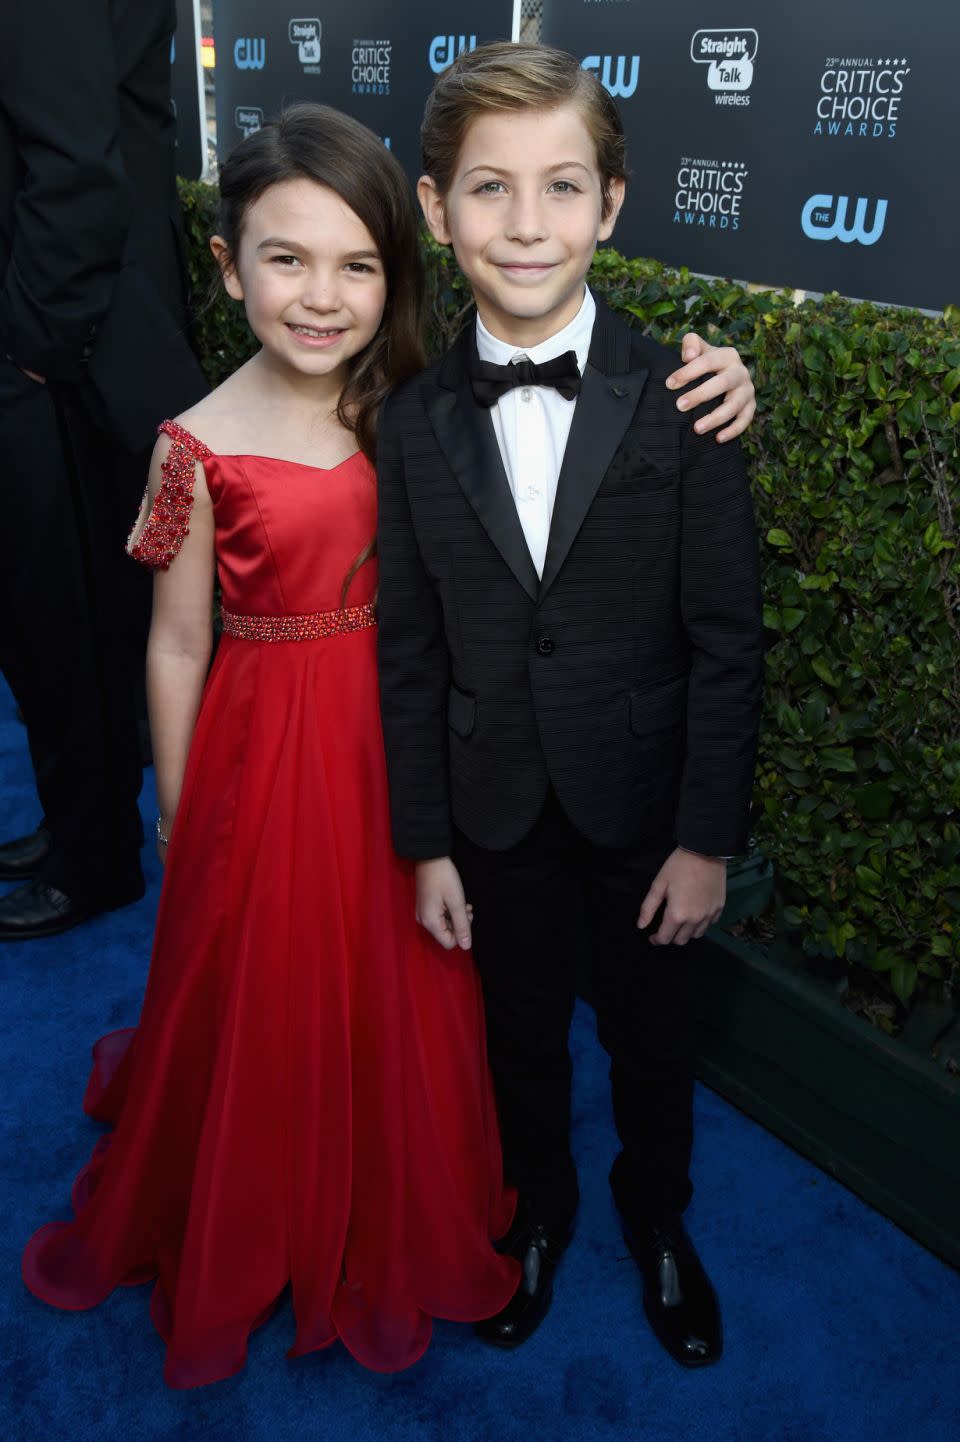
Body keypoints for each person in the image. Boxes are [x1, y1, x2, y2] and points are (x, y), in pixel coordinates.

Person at [22, 104, 522, 1388]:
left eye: (358, 264)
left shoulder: (410, 400)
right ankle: (256, 1198)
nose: (322, 296)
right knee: (258, 968)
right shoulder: (192, 445)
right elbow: (178, 645)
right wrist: (178, 814)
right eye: (287, 259)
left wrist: (722, 372)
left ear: (393, 279)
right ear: (227, 262)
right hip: (259, 750)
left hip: (388, 734)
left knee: (394, 960)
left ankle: (382, 1184)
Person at [376, 43, 764, 1369]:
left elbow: (726, 641)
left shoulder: (690, 398)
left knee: (657, 1041)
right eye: (489, 188)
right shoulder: (412, 422)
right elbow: (410, 648)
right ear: (437, 210)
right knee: (518, 1035)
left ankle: (658, 1219)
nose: (524, 225)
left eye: (559, 187)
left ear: (612, 204)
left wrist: (707, 840)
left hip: (650, 808)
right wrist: (424, 837)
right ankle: (536, 1214)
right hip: (490, 805)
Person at [0, 0, 208, 938]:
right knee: (72, 611)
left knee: (59, 614)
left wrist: (32, 344)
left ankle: (94, 857)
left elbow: (77, 167)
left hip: (62, 343)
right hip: (81, 332)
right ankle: (84, 829)